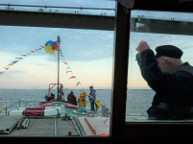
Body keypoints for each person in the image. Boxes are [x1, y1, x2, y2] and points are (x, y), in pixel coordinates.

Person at [136, 40, 193, 120]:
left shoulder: (185, 77)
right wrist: (142, 58)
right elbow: (153, 76)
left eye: (157, 64)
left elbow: (156, 79)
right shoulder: (183, 76)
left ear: (166, 63)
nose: (157, 68)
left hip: (170, 130)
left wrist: (146, 53)